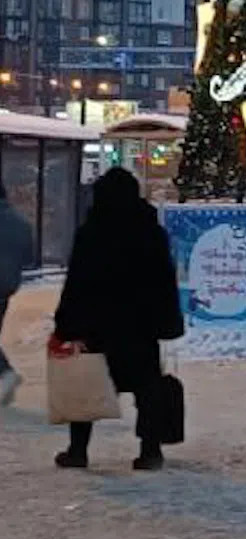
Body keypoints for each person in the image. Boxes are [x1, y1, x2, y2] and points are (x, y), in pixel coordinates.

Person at [51, 168, 183, 471]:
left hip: (97, 326)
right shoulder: (151, 232)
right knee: (146, 387)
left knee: (88, 383)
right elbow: (164, 281)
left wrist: (66, 324)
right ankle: (150, 451)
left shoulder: (92, 233)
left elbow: (77, 282)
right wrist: (168, 323)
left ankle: (78, 450)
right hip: (140, 326)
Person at [0, 187, 35, 407]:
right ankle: (5, 372)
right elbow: (29, 258)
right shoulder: (21, 223)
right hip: (6, 287)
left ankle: (5, 371)